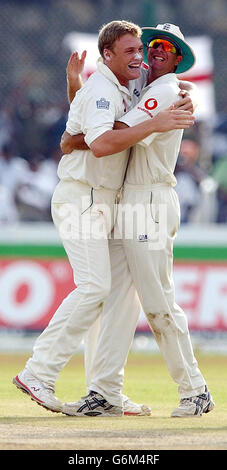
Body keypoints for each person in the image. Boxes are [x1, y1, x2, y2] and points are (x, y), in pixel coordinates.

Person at [13, 20, 194, 417]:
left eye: (139, 49)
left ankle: (107, 391)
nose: (141, 56)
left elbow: (86, 122)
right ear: (106, 55)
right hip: (84, 196)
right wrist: (156, 123)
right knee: (95, 286)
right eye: (132, 50)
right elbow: (99, 143)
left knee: (118, 295)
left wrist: (73, 100)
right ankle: (38, 372)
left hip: (110, 201)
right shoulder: (103, 86)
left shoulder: (127, 85)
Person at [61, 23, 214, 418]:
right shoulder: (144, 85)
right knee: (117, 299)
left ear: (179, 57)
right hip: (130, 200)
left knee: (158, 301)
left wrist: (72, 140)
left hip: (149, 199)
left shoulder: (164, 90)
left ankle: (195, 390)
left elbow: (108, 136)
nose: (157, 50)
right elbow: (96, 113)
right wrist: (76, 85)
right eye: (153, 44)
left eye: (168, 47)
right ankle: (105, 391)